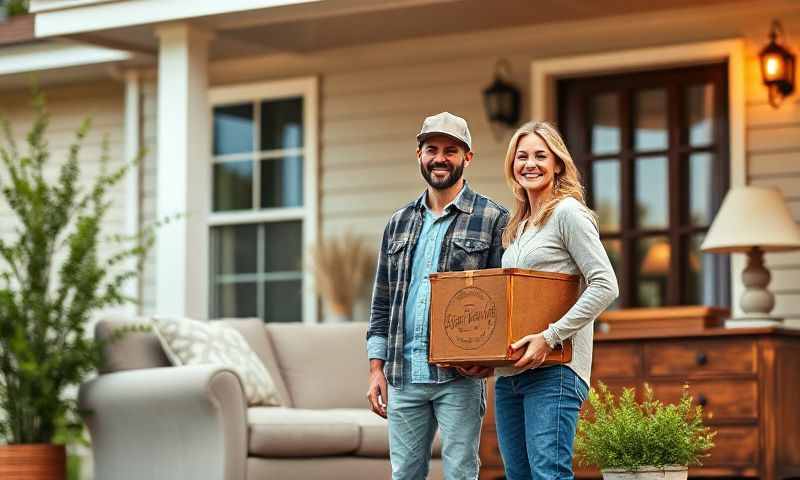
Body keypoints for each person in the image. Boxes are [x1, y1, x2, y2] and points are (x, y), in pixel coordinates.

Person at [366, 112, 509, 480]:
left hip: (458, 378)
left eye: (451, 150)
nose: (440, 158)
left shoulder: (493, 218)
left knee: (461, 473)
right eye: (432, 149)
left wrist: (489, 360)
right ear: (419, 154)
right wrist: (376, 368)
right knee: (405, 474)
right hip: (403, 374)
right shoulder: (398, 222)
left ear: (467, 158)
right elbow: (382, 301)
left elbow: (503, 300)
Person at [494, 121, 618, 480]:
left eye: (539, 156)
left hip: (555, 371)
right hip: (511, 374)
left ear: (558, 164)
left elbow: (605, 284)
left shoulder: (568, 213)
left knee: (549, 474)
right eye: (522, 157)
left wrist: (550, 337)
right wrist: (486, 358)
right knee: (518, 475)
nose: (529, 164)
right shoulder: (519, 225)